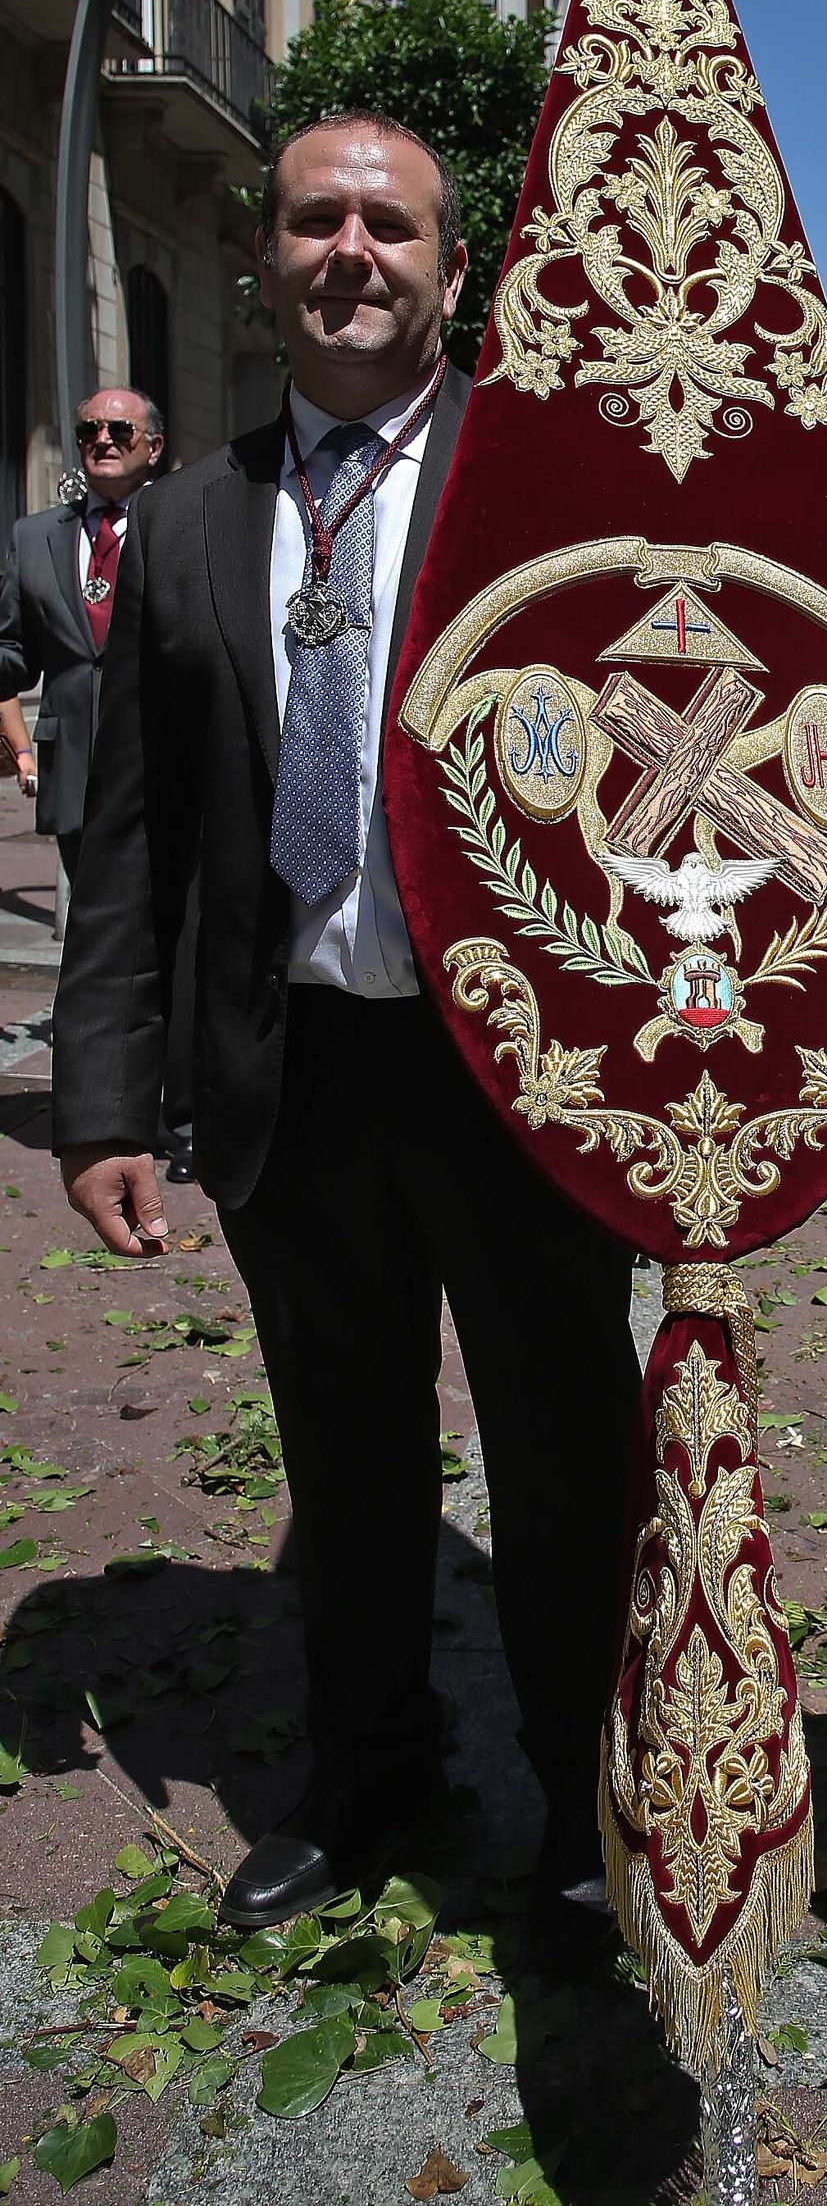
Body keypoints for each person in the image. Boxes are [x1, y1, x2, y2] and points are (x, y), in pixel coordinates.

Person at [51, 109, 639, 1938]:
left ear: (456, 274)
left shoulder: (549, 489)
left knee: (563, 1460)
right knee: (349, 1456)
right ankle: (370, 1779)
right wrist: (102, 1102)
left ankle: (582, 1796)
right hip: (291, 1079)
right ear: (268, 258)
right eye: (317, 222)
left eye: (391, 227)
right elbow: (131, 836)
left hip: (514, 1079)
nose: (351, 253)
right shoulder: (192, 521)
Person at [0, 386, 164, 883]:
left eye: (119, 430)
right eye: (88, 430)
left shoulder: (184, 524)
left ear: (153, 447)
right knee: (90, 937)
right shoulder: (33, 538)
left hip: (160, 771)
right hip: (72, 771)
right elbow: (15, 653)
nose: (103, 440)